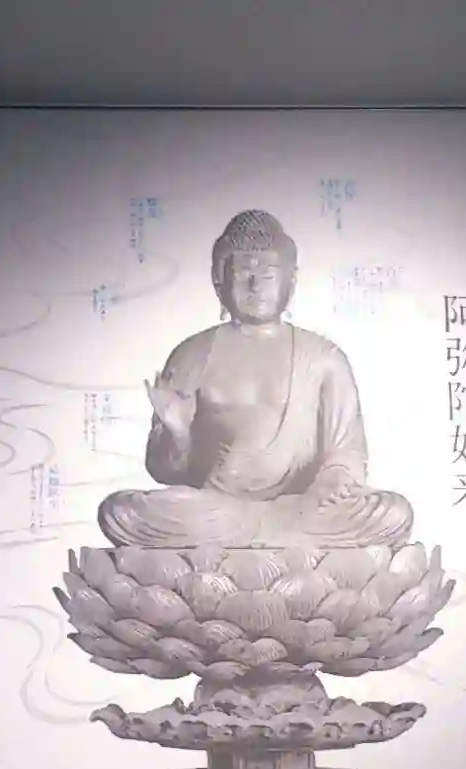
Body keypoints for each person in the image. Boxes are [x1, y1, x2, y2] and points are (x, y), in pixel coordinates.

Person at [97, 209, 414, 549]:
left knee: (393, 513)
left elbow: (346, 450)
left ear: (291, 281)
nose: (255, 284)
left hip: (301, 507)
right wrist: (178, 433)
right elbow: (166, 472)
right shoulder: (192, 354)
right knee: (121, 512)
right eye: (243, 272)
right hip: (215, 509)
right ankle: (283, 546)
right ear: (220, 280)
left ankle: (254, 543)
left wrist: (335, 477)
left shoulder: (324, 358)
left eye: (267, 273)